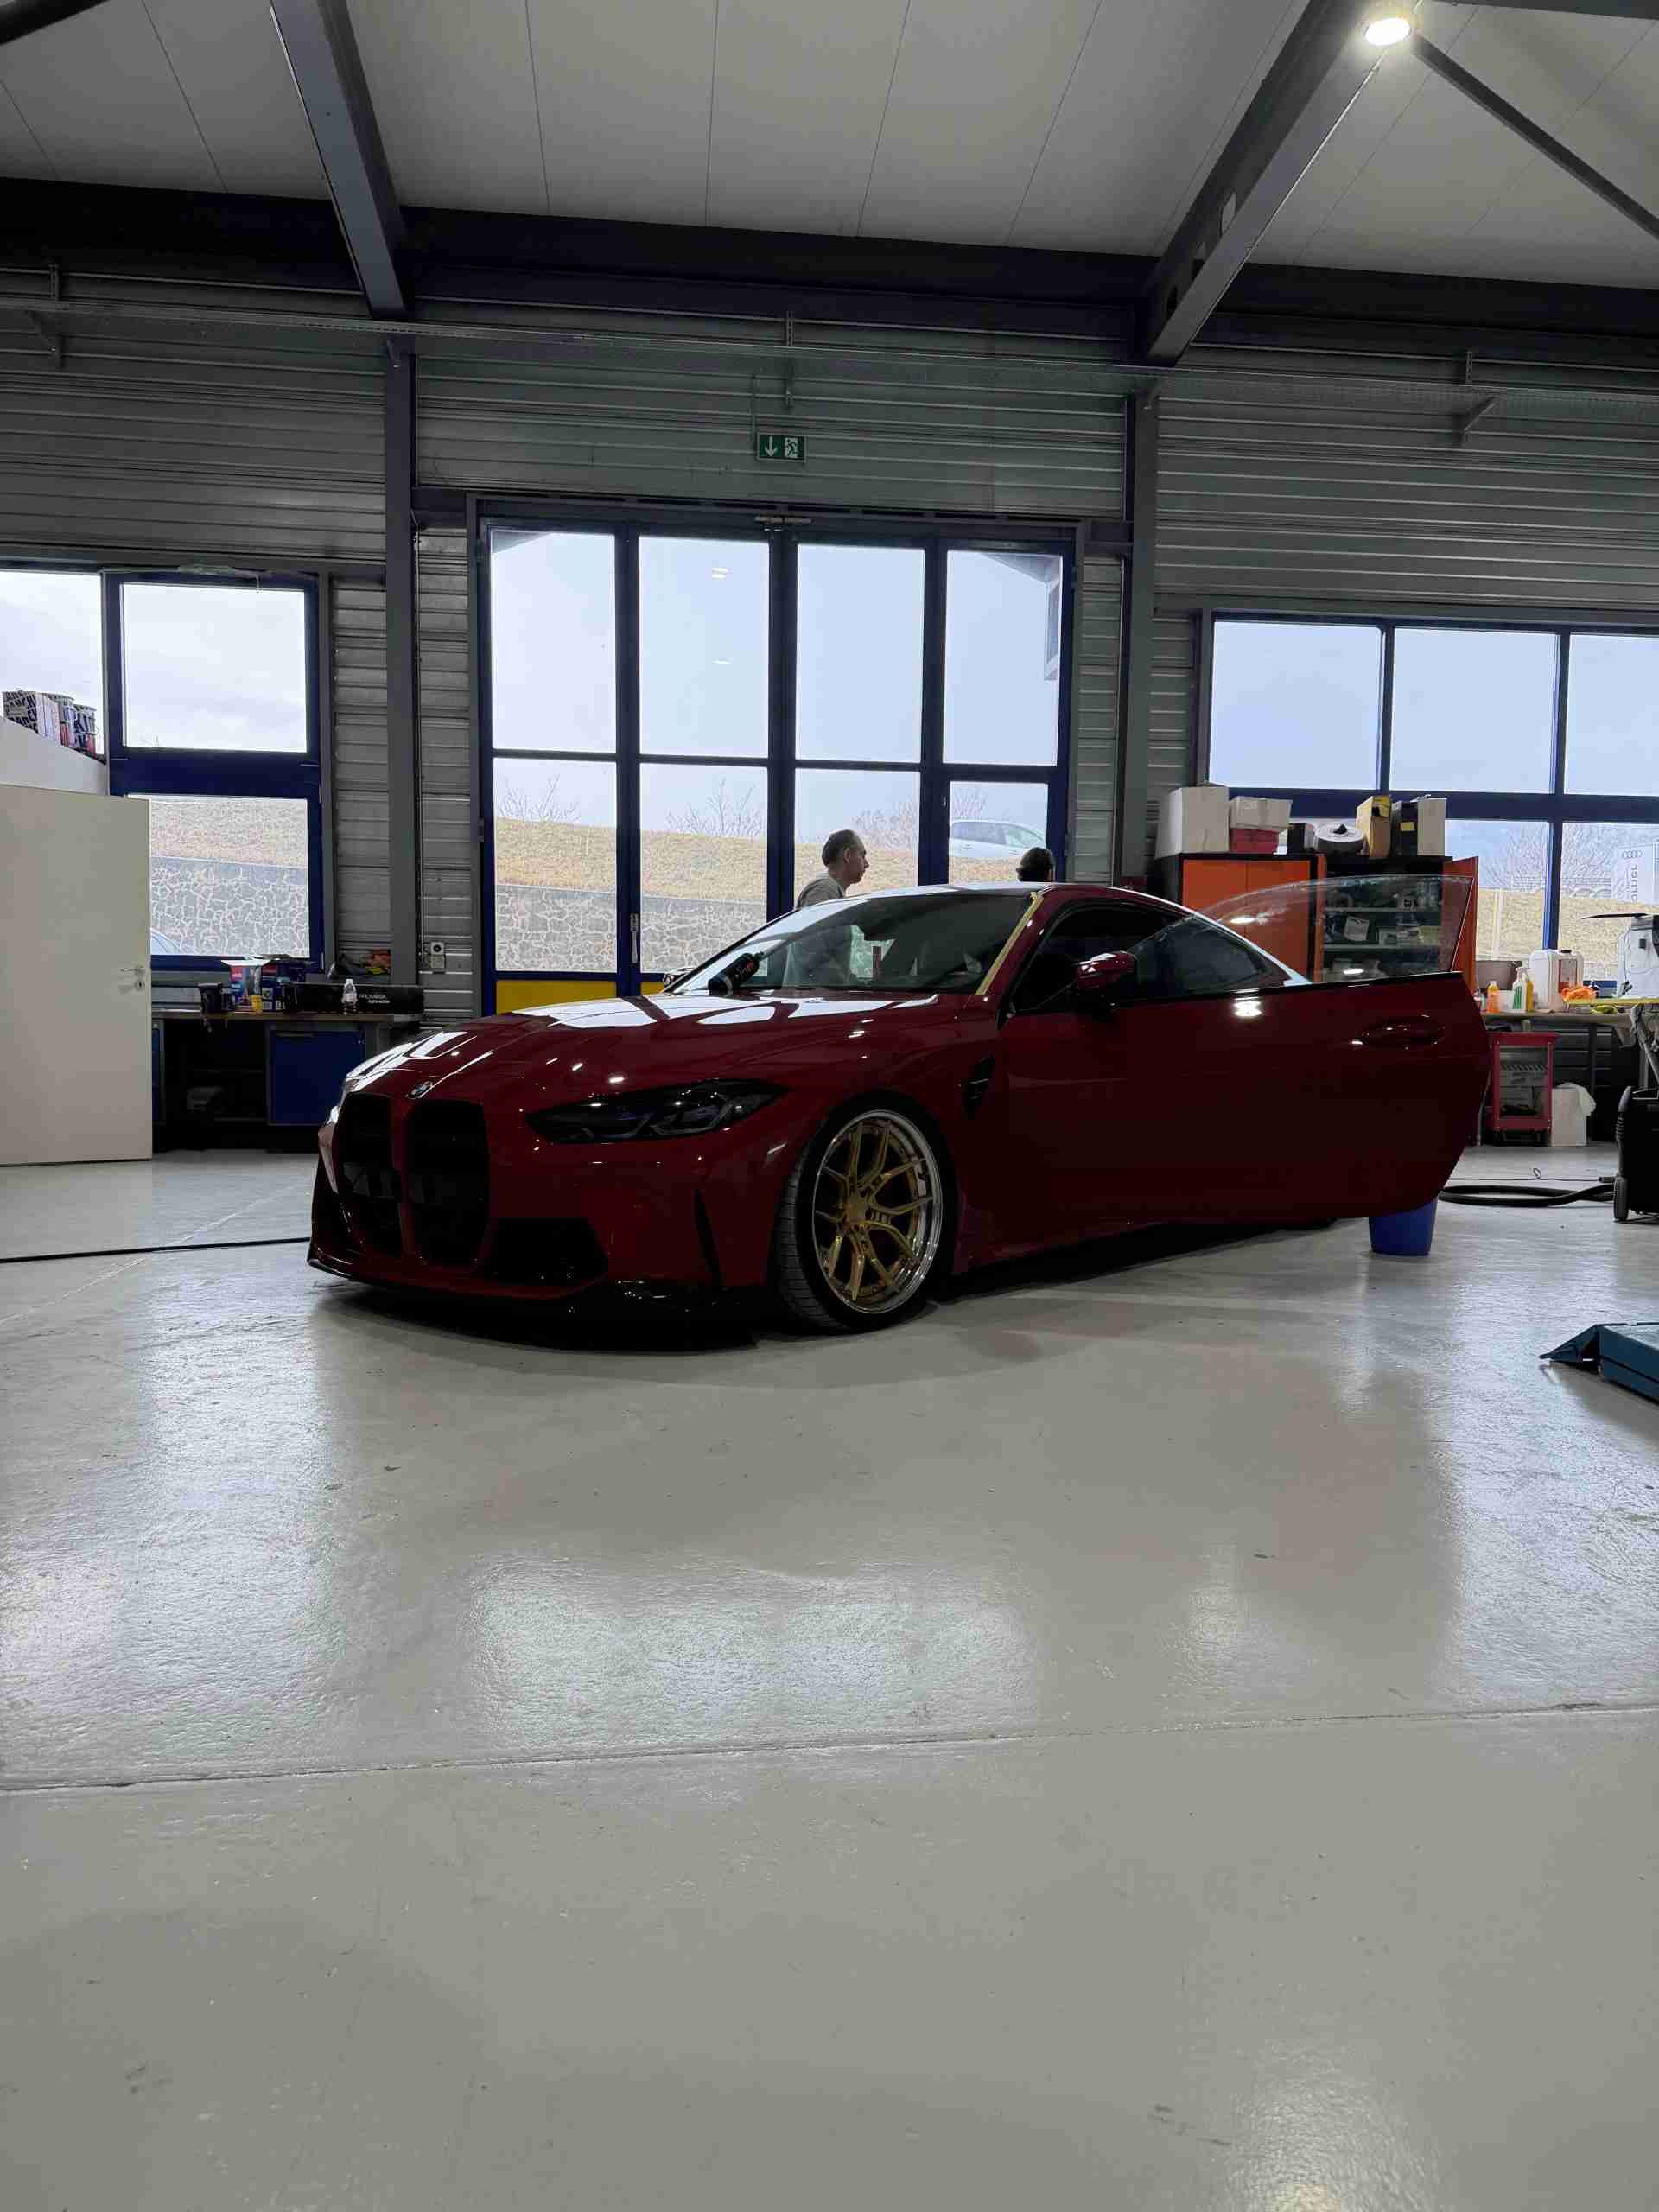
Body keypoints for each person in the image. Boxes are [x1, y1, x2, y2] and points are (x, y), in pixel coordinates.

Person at [797, 828, 868, 908]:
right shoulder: (825, 889)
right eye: (862, 856)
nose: (867, 864)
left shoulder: (829, 888)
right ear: (847, 855)